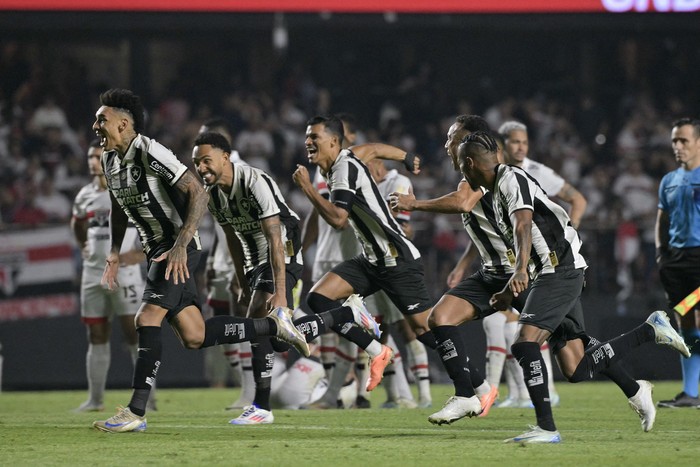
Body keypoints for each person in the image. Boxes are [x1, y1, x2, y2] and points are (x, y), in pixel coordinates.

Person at [90, 88, 309, 433]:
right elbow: (119, 207)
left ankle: (136, 412)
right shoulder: (109, 160)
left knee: (146, 318)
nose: (95, 125)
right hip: (157, 251)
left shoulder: (149, 150)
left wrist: (181, 244)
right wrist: (115, 252)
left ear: (123, 123)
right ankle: (274, 326)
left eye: (101, 119)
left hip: (175, 249)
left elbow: (197, 191)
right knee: (195, 335)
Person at [458, 130, 689, 443]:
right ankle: (649, 333)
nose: (458, 170)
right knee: (576, 368)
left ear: (471, 163)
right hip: (549, 271)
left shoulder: (510, 179)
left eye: (460, 164)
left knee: (525, 344)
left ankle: (547, 429)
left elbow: (524, 223)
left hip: (559, 269)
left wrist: (521, 268)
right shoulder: (496, 190)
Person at [192, 131, 378, 424]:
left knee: (259, 321)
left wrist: (279, 292)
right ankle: (345, 314)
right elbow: (231, 238)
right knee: (275, 338)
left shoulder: (254, 181)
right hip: (255, 261)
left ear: (225, 158)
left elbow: (275, 237)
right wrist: (242, 281)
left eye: (206, 161)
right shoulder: (214, 195)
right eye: (196, 163)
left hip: (282, 252)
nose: (201, 168)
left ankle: (261, 407)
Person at [292, 114, 457, 396]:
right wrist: (406, 155)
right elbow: (374, 148)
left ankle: (463, 379)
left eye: (313, 136)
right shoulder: (339, 162)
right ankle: (377, 356)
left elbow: (340, 219)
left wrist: (307, 188)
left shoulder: (354, 170)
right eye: (307, 136)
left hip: (394, 258)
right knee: (320, 299)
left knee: (416, 328)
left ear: (334, 141)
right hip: (368, 261)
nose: (307, 141)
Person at [498, 120, 590, 406]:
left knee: (522, 334)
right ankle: (520, 393)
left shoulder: (537, 172)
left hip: (551, 266)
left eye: (524, 141)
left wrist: (569, 229)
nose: (521, 146)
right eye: (515, 141)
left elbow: (578, 199)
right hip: (521, 263)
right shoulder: (497, 176)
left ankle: (536, 398)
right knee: (566, 355)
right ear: (502, 145)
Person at [71, 139, 146, 412]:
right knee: (96, 334)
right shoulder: (84, 195)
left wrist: (136, 256)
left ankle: (147, 397)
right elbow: (77, 223)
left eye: (97, 156)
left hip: (125, 274)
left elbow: (150, 229)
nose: (92, 162)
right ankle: (95, 400)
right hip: (93, 273)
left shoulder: (129, 189)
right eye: (90, 157)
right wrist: (84, 246)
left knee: (134, 334)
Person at [655, 117, 700, 408]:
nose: (678, 146)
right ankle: (690, 393)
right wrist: (661, 252)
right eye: (674, 140)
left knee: (695, 314)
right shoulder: (668, 181)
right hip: (676, 261)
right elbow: (662, 219)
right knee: (685, 325)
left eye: (683, 140)